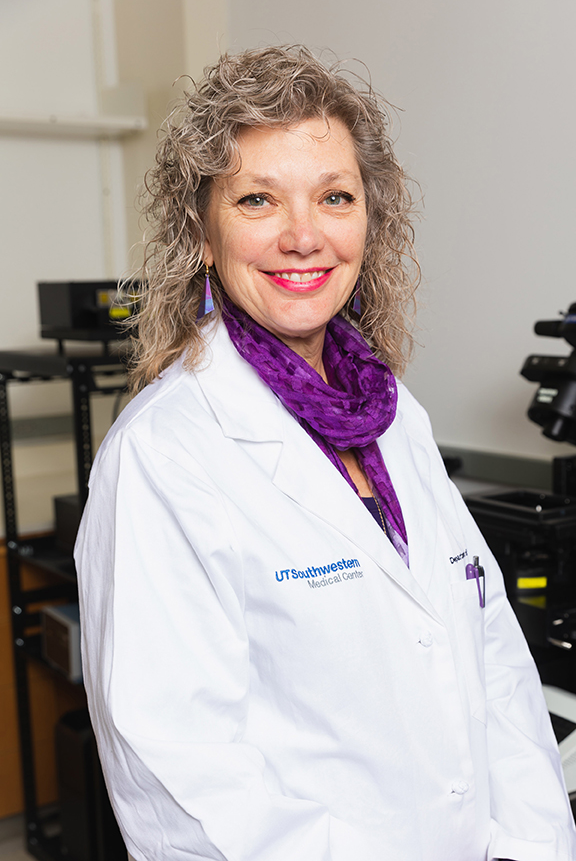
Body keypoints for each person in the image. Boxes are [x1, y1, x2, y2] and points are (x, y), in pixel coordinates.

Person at [75, 45, 576, 861]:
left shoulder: (391, 416)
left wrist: (530, 844)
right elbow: (185, 781)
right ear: (203, 232)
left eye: (334, 197)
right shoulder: (166, 456)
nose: (303, 235)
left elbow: (494, 667)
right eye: (258, 199)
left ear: (367, 220)